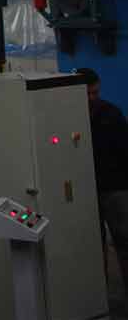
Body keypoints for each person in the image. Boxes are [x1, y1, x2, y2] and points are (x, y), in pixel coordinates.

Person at [79, 68, 128, 294]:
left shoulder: (111, 114)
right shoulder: (67, 117)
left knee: (124, 240)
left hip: (115, 188)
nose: (92, 98)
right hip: (84, 190)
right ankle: (98, 296)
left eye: (95, 92)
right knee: (91, 247)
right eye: (87, 94)